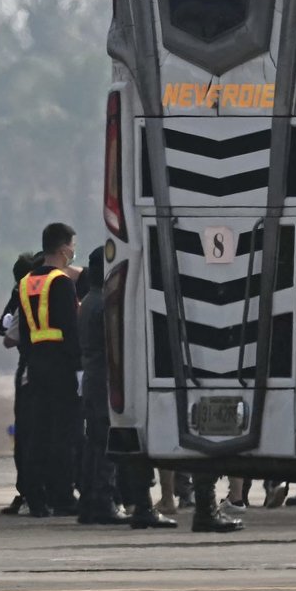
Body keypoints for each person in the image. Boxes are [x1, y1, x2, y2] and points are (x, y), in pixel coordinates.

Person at [77, 247, 175, 529]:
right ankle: (106, 502)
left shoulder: (88, 301)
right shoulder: (106, 304)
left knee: (95, 445)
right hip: (108, 379)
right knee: (111, 444)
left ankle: (91, 504)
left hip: (93, 378)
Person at [18, 222, 82, 517]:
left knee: (38, 433)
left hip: (35, 363)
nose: (73, 250)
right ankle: (62, 496)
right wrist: (79, 368)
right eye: (71, 245)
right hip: (61, 364)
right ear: (62, 248)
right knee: (64, 434)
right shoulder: (61, 282)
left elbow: (25, 330)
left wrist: (30, 364)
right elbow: (71, 328)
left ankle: (35, 495)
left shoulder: (27, 281)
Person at [0, 250, 41, 515]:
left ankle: (30, 490)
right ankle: (30, 490)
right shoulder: (22, 291)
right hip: (33, 365)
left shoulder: (31, 290)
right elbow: (3, 327)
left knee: (30, 433)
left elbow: (6, 332)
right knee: (28, 432)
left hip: (31, 366)